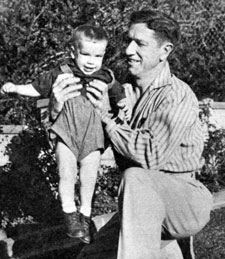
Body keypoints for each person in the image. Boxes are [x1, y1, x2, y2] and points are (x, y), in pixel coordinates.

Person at [47, 9, 213, 259]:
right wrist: (56, 110)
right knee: (89, 256)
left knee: (136, 177)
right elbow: (75, 143)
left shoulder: (177, 95)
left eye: (140, 43)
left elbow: (150, 155)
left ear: (164, 51)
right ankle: (168, 251)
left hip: (183, 201)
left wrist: (105, 117)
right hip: (141, 206)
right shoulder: (118, 91)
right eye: (128, 41)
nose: (127, 50)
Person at [0, 25, 130, 244]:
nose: (91, 61)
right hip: (66, 131)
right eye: (85, 54)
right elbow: (36, 88)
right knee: (67, 173)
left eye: (97, 56)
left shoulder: (106, 76)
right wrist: (15, 88)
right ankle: (70, 214)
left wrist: (124, 104)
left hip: (93, 135)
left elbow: (120, 97)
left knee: (89, 177)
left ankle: (85, 216)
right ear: (73, 52)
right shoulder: (61, 72)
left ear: (104, 56)